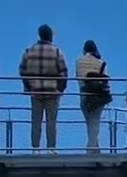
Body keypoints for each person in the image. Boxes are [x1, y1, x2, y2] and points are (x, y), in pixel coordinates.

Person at [18, 24, 69, 152]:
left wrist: (28, 86)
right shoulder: (57, 51)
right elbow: (64, 72)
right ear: (50, 36)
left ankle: (35, 148)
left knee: (36, 121)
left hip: (35, 91)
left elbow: (22, 70)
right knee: (51, 121)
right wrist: (60, 89)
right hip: (52, 91)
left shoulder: (29, 51)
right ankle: (51, 148)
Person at [76, 40, 112, 154]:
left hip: (84, 95)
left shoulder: (78, 61)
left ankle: (95, 149)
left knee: (89, 123)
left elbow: (78, 77)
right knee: (95, 123)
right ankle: (91, 149)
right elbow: (105, 80)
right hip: (98, 96)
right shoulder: (101, 63)